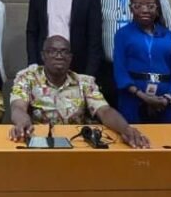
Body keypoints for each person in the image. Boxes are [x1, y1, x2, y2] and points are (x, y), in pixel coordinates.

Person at [9, 36, 150, 148]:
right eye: (52, 51)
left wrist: (125, 129)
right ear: (43, 56)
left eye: (64, 52)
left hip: (76, 144)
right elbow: (18, 107)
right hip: (39, 142)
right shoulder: (27, 77)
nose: (59, 56)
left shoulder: (84, 82)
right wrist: (22, 122)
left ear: (70, 57)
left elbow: (105, 111)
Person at [112, 0, 171, 123]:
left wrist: (167, 98)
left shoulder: (168, 35)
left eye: (150, 6)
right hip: (132, 100)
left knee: (166, 141)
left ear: (157, 9)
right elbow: (119, 70)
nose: (145, 10)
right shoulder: (123, 34)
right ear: (131, 9)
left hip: (164, 102)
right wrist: (142, 96)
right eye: (138, 6)